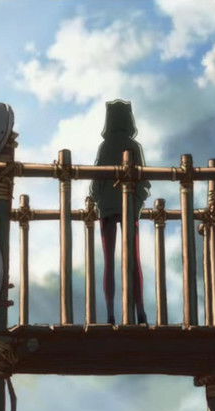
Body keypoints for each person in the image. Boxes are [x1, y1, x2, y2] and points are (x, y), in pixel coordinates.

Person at [89, 99, 150, 325]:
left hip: (106, 207)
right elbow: (144, 181)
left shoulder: (104, 146)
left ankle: (110, 313)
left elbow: (96, 179)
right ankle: (140, 311)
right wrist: (136, 200)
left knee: (109, 263)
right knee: (134, 260)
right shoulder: (134, 146)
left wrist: (96, 199)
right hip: (129, 207)